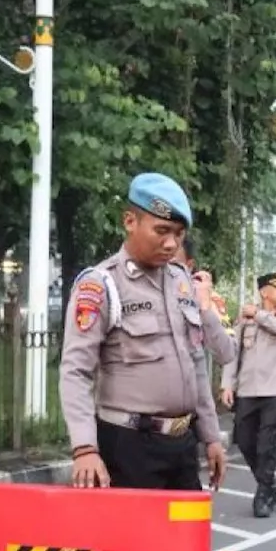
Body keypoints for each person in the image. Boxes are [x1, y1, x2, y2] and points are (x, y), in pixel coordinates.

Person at [59, 172, 227, 491]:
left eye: (178, 234)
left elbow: (196, 365)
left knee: (184, 540)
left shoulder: (180, 282)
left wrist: (211, 436)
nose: (171, 244)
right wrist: (84, 448)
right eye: (161, 231)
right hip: (128, 447)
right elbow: (75, 371)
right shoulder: (101, 285)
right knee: (133, 541)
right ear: (129, 221)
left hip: (182, 444)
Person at [221, 271, 276, 517]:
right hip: (248, 390)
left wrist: (258, 314)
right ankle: (271, 486)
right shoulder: (246, 319)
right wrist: (227, 384)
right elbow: (233, 353)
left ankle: (263, 493)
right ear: (264, 292)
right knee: (244, 441)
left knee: (267, 446)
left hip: (275, 390)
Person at [172, 236, 238, 366]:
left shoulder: (208, 298)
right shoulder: (138, 293)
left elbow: (227, 353)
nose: (166, 271)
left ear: (189, 266)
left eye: (173, 265)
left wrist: (205, 309)